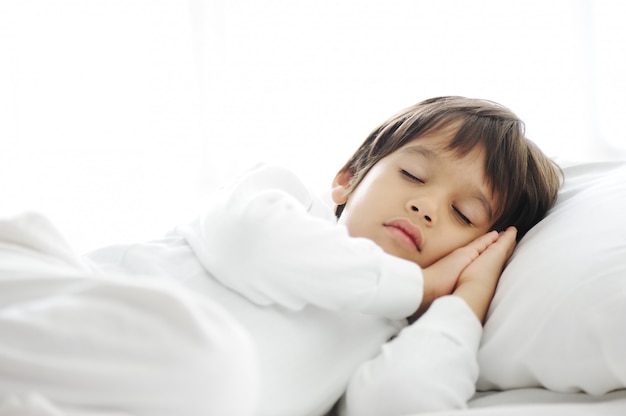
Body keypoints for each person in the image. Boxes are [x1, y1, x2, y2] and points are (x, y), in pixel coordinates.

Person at [85, 96, 561, 416]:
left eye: (463, 213)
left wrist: (466, 301)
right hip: (83, 321)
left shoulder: (394, 337)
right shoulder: (284, 202)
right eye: (414, 175)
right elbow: (248, 241)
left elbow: (404, 399)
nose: (426, 206)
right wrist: (420, 286)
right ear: (348, 177)